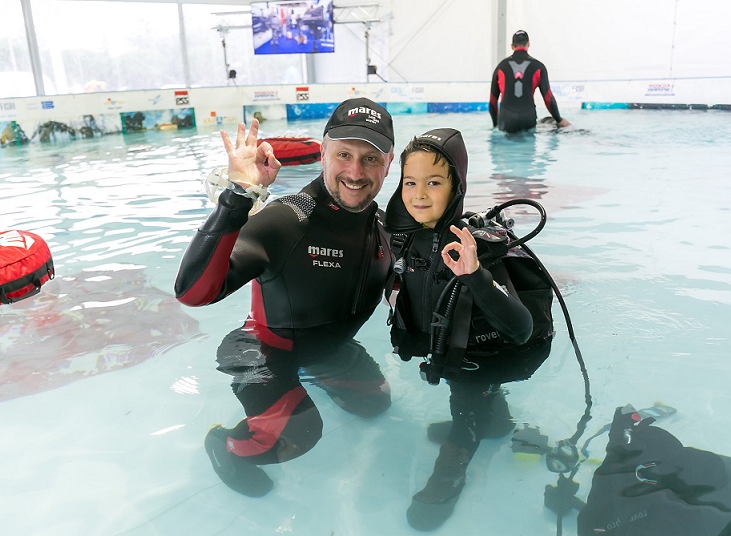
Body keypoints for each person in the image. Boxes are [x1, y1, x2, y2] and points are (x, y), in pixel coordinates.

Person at [174, 97, 395, 496]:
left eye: (371, 159)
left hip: (329, 349)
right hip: (262, 351)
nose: (355, 172)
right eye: (343, 154)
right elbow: (192, 292)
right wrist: (238, 197)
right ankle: (224, 445)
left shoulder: (381, 227)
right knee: (302, 432)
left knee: (375, 405)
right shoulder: (287, 220)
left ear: (389, 163)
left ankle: (307, 380)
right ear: (323, 153)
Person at [384, 128, 555, 529]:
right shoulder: (410, 238)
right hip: (464, 354)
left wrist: (476, 275)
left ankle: (453, 466)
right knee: (475, 395)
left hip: (484, 360)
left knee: (463, 412)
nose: (419, 194)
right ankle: (494, 422)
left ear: (456, 186)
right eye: (410, 182)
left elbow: (521, 329)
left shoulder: (474, 247)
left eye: (434, 182)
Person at [489, 30, 571, 133]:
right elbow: (548, 98)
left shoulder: (501, 67)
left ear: (512, 46)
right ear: (528, 44)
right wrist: (559, 119)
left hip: (507, 121)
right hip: (528, 119)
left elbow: (492, 101)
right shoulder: (538, 67)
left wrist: (496, 125)